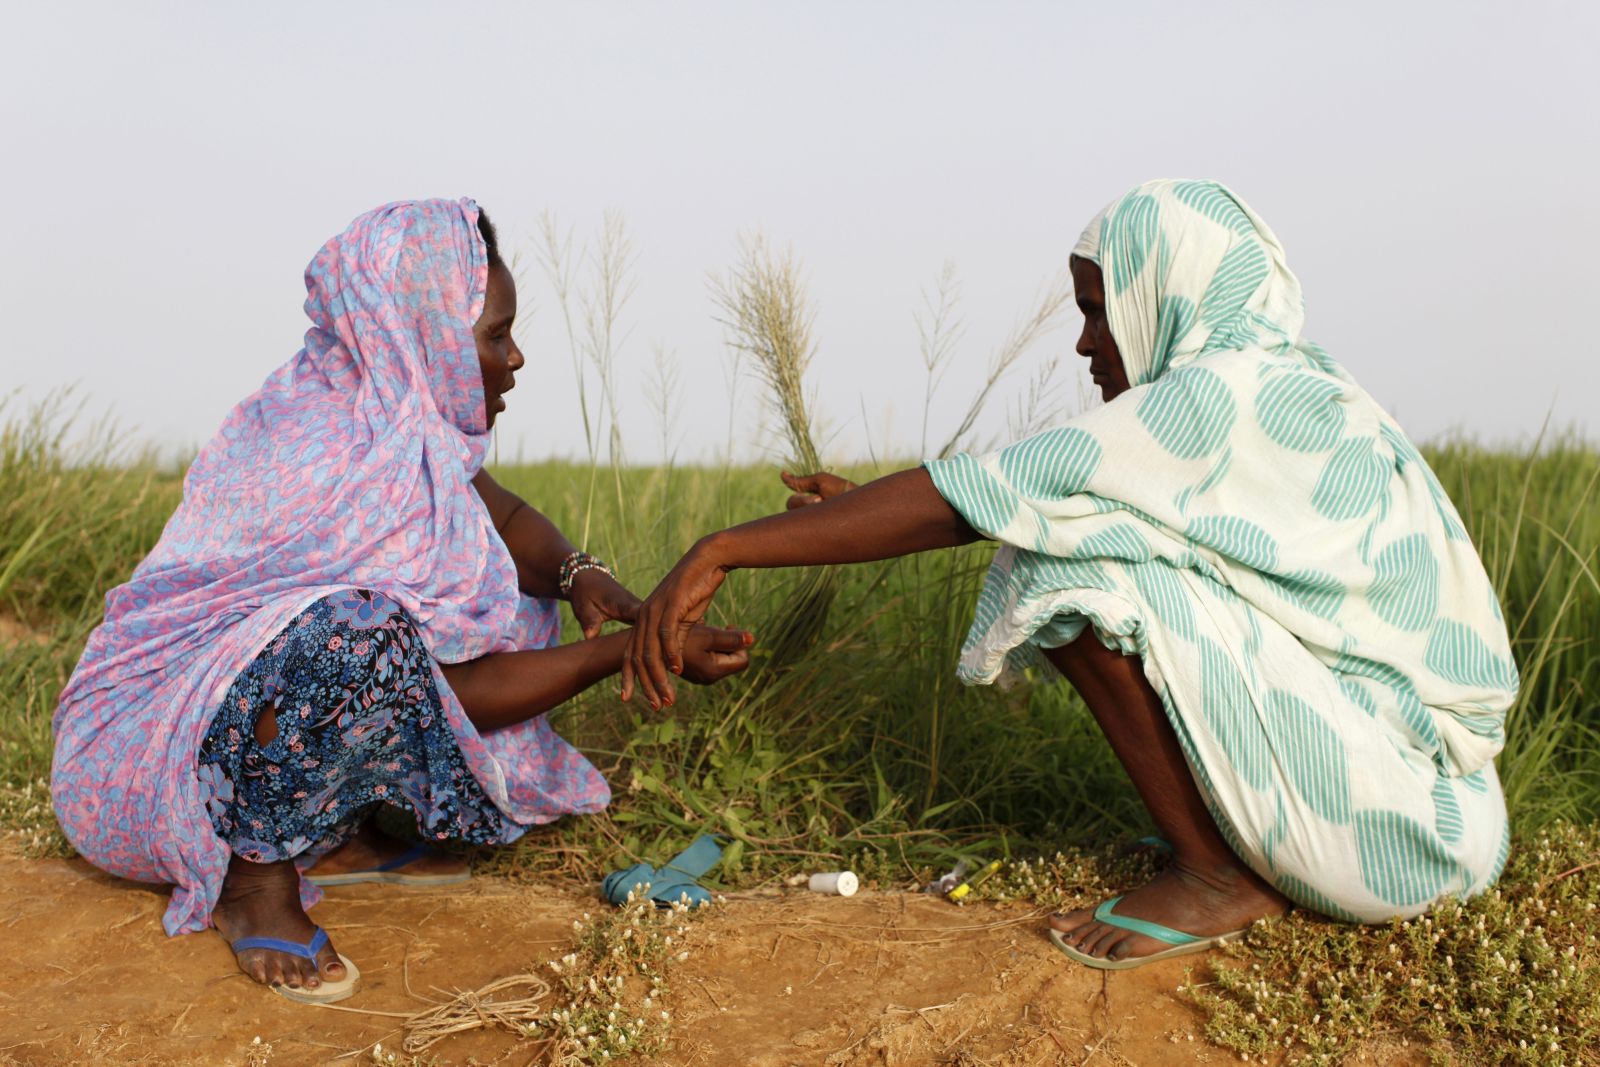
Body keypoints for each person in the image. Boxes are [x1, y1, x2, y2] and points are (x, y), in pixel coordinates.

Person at [623, 179, 1516, 969]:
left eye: (1098, 307)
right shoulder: (1294, 383)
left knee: (1060, 563)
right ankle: (1242, 845)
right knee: (1083, 532)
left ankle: (1215, 876)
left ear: (1162, 291)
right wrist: (865, 503)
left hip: (1399, 833)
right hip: (1447, 816)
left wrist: (719, 549)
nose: (1088, 343)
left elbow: (989, 500)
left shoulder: (1212, 395)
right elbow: (1050, 496)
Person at [51, 199, 753, 1002]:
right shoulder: (319, 442)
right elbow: (409, 684)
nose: (515, 357)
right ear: (419, 332)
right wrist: (615, 651)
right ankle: (251, 877)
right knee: (359, 633)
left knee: (483, 587)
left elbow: (504, 515)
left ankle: (339, 836)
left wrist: (583, 578)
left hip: (244, 738)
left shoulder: (401, 423)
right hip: (149, 764)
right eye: (495, 334)